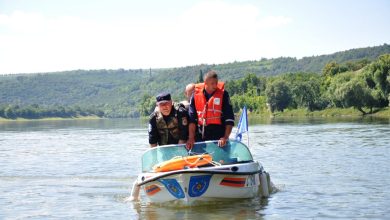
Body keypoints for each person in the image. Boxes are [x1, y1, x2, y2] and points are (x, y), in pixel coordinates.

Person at [186, 70, 234, 149]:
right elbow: (192, 119)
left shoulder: (224, 94)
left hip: (219, 136)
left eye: (216, 82)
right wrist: (191, 138)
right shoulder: (195, 95)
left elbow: (229, 119)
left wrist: (225, 137)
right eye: (212, 83)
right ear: (205, 83)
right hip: (201, 135)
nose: (215, 86)